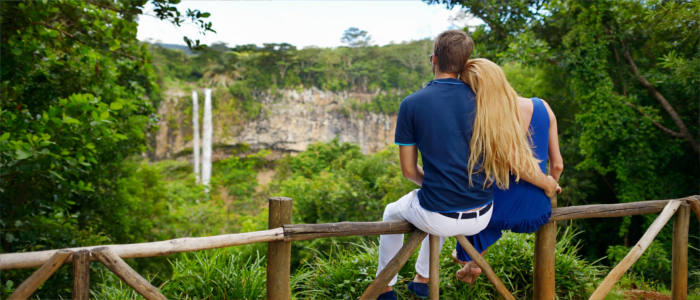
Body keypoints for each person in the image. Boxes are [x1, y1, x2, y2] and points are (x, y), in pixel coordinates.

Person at [375, 31, 558, 300]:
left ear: (434, 58)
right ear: (466, 61)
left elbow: (409, 171)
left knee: (394, 211)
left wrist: (442, 185)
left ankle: (384, 287)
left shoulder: (411, 104)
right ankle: (423, 279)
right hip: (482, 212)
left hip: (442, 214)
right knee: (435, 208)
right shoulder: (483, 101)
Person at [451, 58, 564, 285]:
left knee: (472, 209)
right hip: (538, 210)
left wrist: (545, 184)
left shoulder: (484, 118)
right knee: (486, 214)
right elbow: (558, 165)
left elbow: (515, 163)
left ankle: (467, 260)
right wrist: (550, 186)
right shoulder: (543, 106)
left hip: (495, 209)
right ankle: (470, 263)